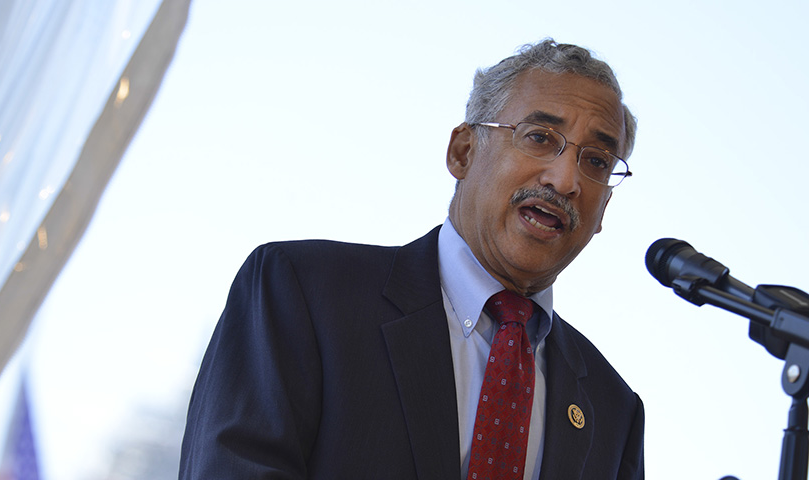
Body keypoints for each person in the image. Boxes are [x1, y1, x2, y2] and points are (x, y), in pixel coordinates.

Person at [179, 39, 644, 480]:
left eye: (598, 162)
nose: (566, 180)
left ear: (604, 209)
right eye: (540, 136)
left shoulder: (613, 409)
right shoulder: (302, 292)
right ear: (463, 152)